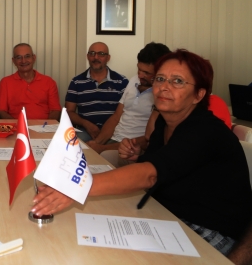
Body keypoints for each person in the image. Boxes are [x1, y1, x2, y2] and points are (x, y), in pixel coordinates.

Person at [33, 49, 252, 256]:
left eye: (177, 81)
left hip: (210, 231)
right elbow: (167, 166)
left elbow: (150, 175)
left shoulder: (204, 129)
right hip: (168, 217)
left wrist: (76, 187)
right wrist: (138, 156)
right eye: (160, 79)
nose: (164, 87)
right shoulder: (164, 124)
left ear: (198, 95)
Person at [87, 42, 170, 154]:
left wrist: (103, 149)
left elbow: (149, 138)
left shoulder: (164, 95)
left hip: (132, 149)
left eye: (146, 73)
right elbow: (116, 117)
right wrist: (96, 143)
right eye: (139, 69)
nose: (140, 75)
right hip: (113, 141)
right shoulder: (133, 80)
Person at [65, 42, 128, 142]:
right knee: (72, 144)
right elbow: (69, 112)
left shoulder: (121, 81)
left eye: (101, 54)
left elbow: (126, 111)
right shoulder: (76, 82)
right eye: (92, 53)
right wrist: (86, 124)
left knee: (119, 148)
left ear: (108, 58)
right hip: (85, 130)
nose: (96, 57)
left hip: (114, 131)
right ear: (87, 56)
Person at [0, 43, 61, 120]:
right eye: (19, 57)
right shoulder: (5, 82)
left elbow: (55, 110)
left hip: (44, 126)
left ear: (34, 58)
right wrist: (18, 125)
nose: (23, 61)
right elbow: (1, 111)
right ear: (14, 61)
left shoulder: (49, 82)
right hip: (16, 126)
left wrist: (46, 126)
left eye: (27, 56)